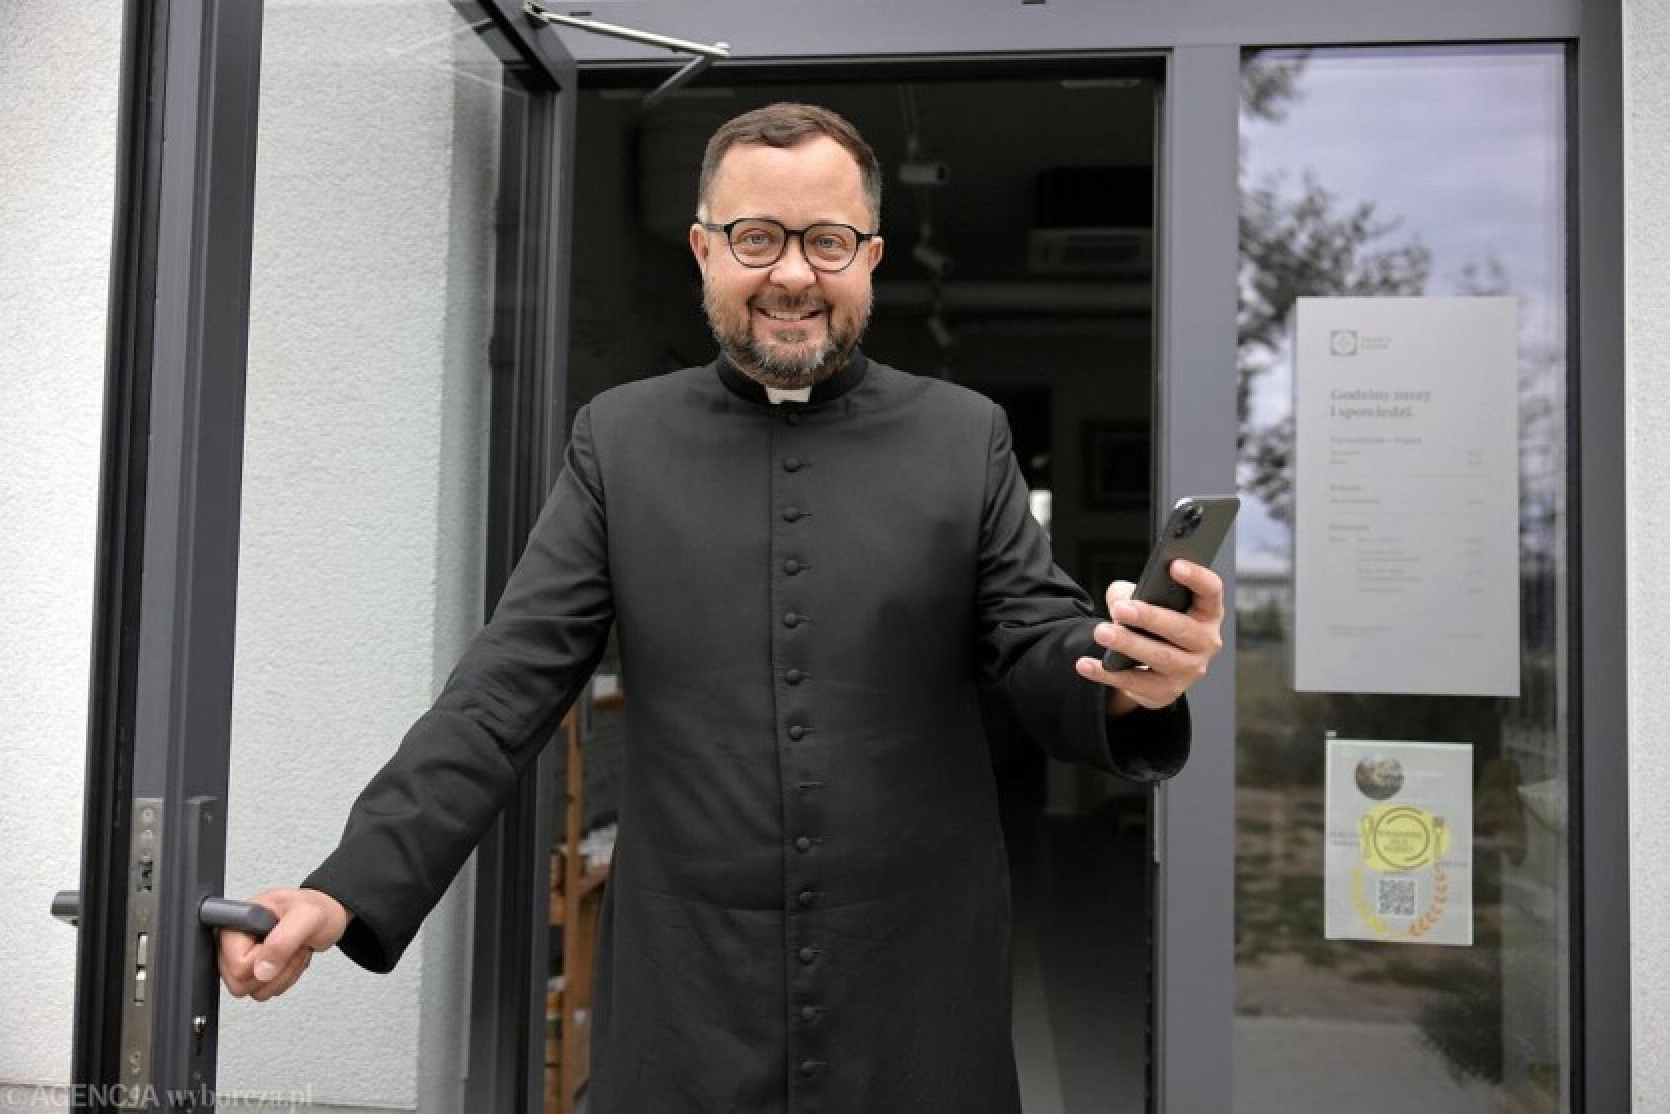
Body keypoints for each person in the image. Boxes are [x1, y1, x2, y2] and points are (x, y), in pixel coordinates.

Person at [219, 102, 1225, 1113]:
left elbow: (1035, 639)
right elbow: (500, 691)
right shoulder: (620, 440)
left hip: (917, 987)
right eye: (756, 238)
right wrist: (344, 885)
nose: (792, 274)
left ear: (870, 254)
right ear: (704, 250)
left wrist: (1129, 675)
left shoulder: (963, 439)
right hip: (687, 992)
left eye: (827, 241)